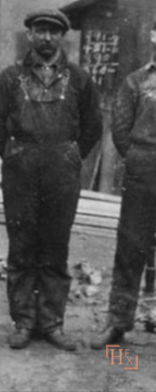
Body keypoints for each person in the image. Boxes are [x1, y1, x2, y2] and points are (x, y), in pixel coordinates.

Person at [0, 9, 102, 351]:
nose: (46, 37)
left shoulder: (79, 79)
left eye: (53, 31)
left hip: (61, 172)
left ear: (62, 36)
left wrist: (71, 154)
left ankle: (52, 323)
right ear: (30, 34)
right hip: (21, 171)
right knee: (21, 246)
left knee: (55, 246)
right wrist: (14, 153)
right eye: (40, 30)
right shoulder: (11, 77)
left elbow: (93, 125)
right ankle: (23, 321)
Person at [89, 18, 156, 350]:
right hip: (144, 173)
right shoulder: (136, 82)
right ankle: (117, 323)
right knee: (131, 248)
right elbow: (120, 128)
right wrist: (141, 158)